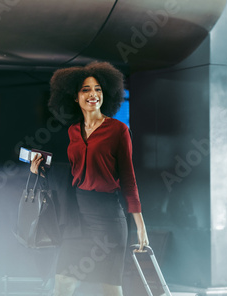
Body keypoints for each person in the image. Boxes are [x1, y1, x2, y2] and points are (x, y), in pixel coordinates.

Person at [30, 61, 149, 296]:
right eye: (86, 89)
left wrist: (140, 225)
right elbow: (75, 171)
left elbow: (129, 179)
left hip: (108, 218)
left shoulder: (118, 131)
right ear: (75, 97)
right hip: (77, 216)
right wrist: (40, 170)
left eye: (98, 89)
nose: (93, 94)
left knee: (110, 289)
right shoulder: (73, 131)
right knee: (62, 283)